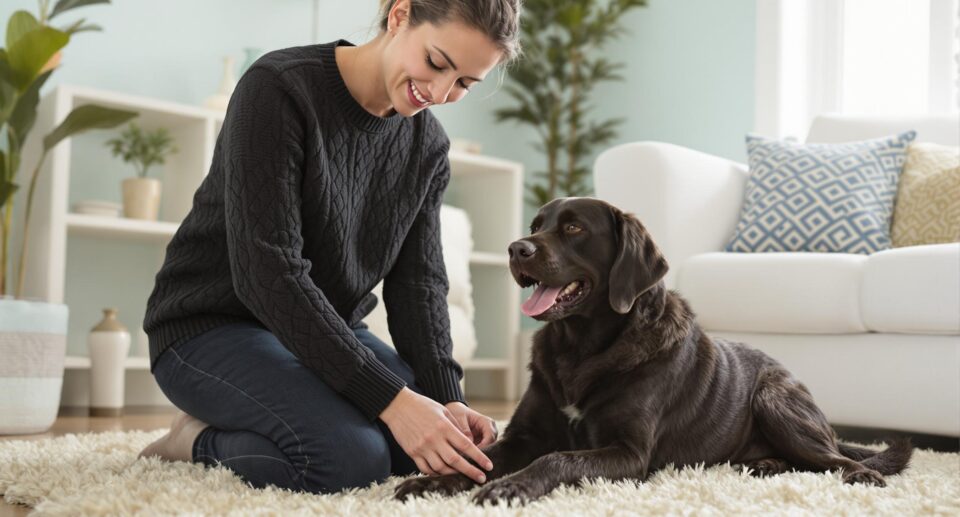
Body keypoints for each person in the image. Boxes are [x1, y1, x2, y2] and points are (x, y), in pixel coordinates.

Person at [138, 0, 522, 494]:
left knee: (429, 450)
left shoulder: (428, 148)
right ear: (400, 15)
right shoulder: (279, 86)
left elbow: (419, 287)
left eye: (465, 84)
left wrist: (449, 400)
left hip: (325, 330)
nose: (441, 92)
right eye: (437, 62)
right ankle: (192, 441)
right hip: (210, 327)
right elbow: (267, 271)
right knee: (348, 459)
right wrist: (392, 400)